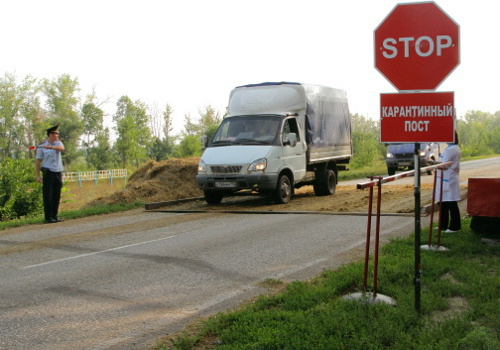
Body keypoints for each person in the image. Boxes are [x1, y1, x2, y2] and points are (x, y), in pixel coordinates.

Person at [36, 125, 65, 223]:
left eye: (57, 133)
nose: (57, 135)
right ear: (50, 134)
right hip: (48, 172)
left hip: (58, 172)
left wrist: (51, 147)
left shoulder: (58, 143)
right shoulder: (42, 146)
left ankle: (54, 216)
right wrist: (38, 176)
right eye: (55, 133)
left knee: (57, 194)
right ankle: (48, 217)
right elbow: (38, 161)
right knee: (48, 195)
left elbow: (61, 148)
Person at [435, 132, 461, 233]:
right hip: (443, 178)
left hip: (448, 179)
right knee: (442, 203)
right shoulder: (449, 148)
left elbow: (444, 165)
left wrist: (433, 164)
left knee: (451, 203)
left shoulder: (452, 149)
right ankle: (443, 225)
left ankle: (455, 226)